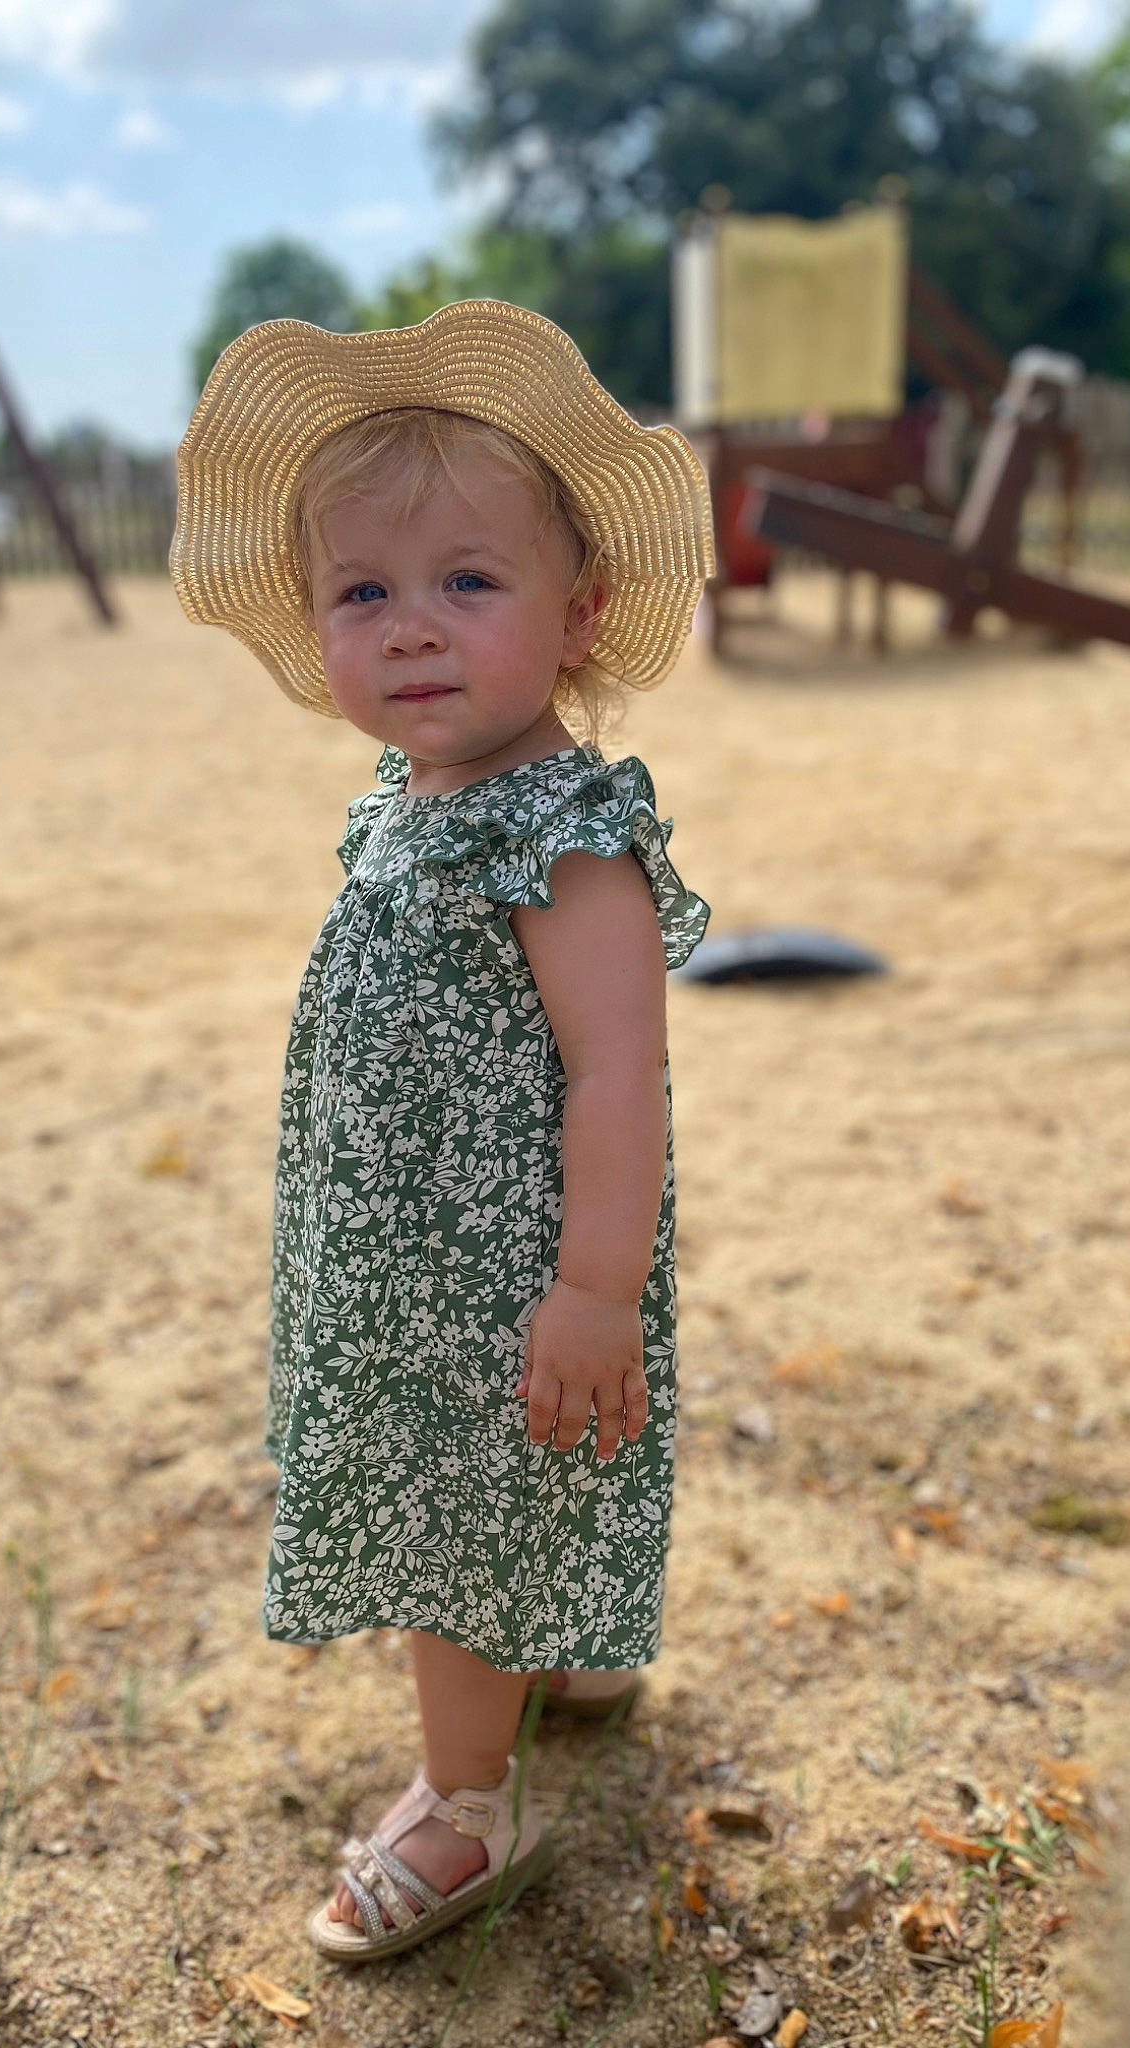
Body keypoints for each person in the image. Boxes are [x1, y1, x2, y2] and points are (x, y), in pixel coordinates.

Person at [170, 299, 715, 1963]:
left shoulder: (570, 828)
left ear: (577, 614)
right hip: (395, 1249)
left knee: (460, 1493)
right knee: (506, 1478)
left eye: (469, 582)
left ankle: (466, 1799)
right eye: (363, 592)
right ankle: (567, 1643)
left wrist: (594, 1290)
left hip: (505, 1269)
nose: (412, 628)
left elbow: (622, 1075)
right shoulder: (408, 803)